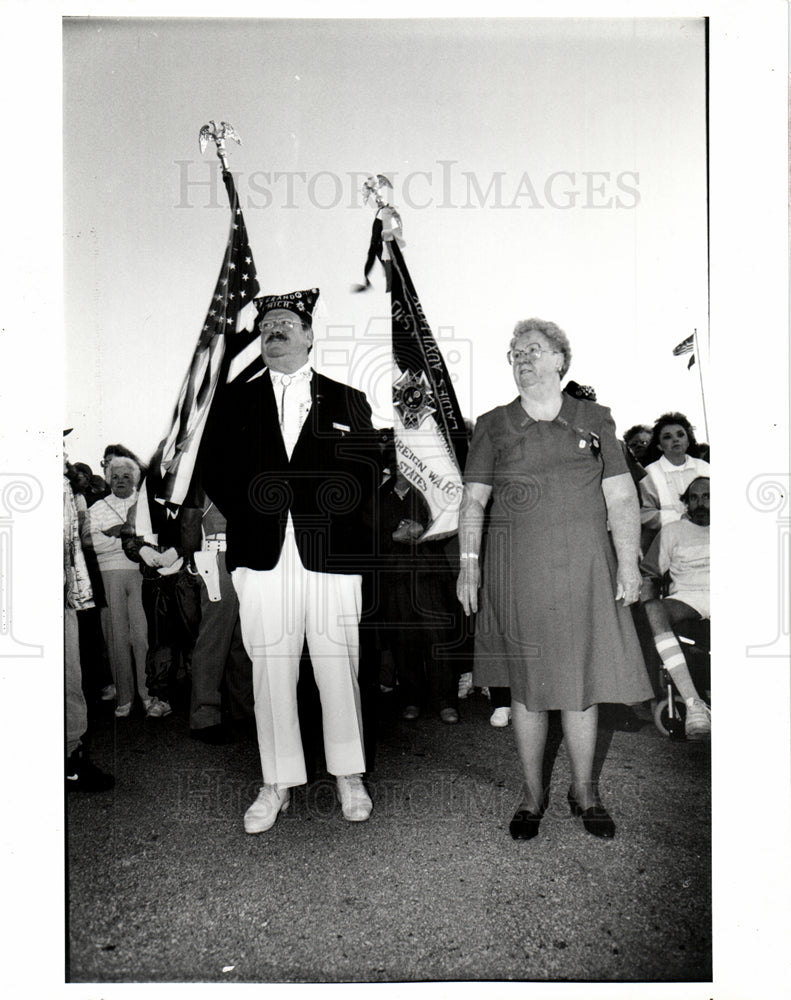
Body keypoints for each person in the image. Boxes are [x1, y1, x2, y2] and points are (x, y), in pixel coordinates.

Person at [457, 318, 653, 842]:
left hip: (586, 570)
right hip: (519, 573)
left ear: (561, 361)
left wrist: (629, 563)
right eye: (514, 351)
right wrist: (469, 564)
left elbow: (620, 497)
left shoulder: (594, 418)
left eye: (534, 349)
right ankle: (532, 793)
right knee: (527, 689)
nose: (522, 358)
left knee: (582, 688)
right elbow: (473, 499)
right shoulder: (493, 424)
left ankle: (585, 791)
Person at [199, 287, 379, 833]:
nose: (274, 328)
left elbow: (365, 473)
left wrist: (315, 500)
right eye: (267, 321)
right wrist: (265, 506)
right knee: (270, 670)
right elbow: (219, 474)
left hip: (331, 552)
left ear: (308, 334)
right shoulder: (233, 401)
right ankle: (276, 781)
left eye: (285, 321)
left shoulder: (347, 398)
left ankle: (349, 774)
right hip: (263, 553)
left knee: (337, 666)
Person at [640, 476, 711, 739]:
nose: (700, 503)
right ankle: (694, 704)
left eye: (707, 496)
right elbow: (648, 573)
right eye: (694, 498)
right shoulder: (672, 531)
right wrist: (645, 598)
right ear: (686, 503)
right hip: (688, 598)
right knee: (654, 609)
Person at [64, 449, 113, 792]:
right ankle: (69, 760)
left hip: (63, 590)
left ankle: (71, 756)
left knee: (71, 675)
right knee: (67, 678)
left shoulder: (64, 486)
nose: (64, 451)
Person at [88, 456, 151, 717]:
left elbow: (153, 538)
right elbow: (89, 543)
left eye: (126, 476)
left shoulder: (144, 503)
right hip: (109, 575)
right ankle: (124, 698)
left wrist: (115, 534)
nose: (121, 481)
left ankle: (147, 694)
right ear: (108, 480)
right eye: (115, 477)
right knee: (116, 638)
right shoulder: (98, 507)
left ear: (135, 478)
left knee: (142, 637)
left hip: (141, 575)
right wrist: (126, 539)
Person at [639, 412, 710, 548]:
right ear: (659, 446)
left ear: (688, 441)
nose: (675, 440)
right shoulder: (650, 473)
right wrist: (678, 518)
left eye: (680, 435)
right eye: (667, 437)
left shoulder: (705, 468)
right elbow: (644, 514)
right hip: (667, 543)